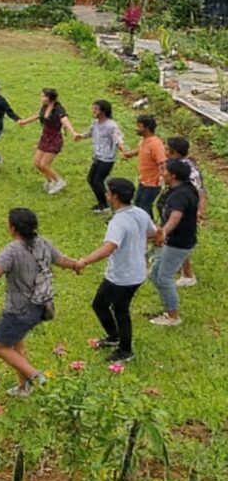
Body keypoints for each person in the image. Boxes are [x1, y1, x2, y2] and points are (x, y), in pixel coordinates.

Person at [0, 208, 80, 397]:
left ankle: (36, 377)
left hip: (18, 310)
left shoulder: (12, 251)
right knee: (17, 345)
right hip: (41, 306)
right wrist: (76, 264)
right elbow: (61, 260)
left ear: (13, 228)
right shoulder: (43, 243)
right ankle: (23, 387)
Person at [76, 178, 158, 364]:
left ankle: (125, 349)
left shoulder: (118, 222)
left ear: (115, 196)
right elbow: (153, 232)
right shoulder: (140, 212)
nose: (106, 195)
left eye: (108, 192)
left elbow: (110, 246)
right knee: (102, 305)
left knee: (118, 310)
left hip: (122, 276)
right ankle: (114, 337)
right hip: (136, 272)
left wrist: (85, 261)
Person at [148, 160, 200, 327]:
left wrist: (163, 232)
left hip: (178, 243)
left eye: (165, 171)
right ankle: (168, 307)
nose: (162, 173)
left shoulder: (180, 195)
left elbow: (175, 216)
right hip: (175, 241)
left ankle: (173, 316)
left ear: (174, 175)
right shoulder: (183, 188)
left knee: (164, 278)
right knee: (154, 274)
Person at [17, 88, 78, 194]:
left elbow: (64, 120)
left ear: (49, 98)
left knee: (44, 164)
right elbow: (38, 115)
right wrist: (25, 121)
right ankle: (50, 181)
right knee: (37, 163)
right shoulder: (44, 106)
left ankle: (59, 181)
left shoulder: (58, 109)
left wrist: (73, 132)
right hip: (45, 137)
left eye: (43, 96)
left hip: (54, 139)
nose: (41, 98)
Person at [165, 137, 207, 288]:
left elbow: (201, 191)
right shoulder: (175, 165)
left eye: (167, 148)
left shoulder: (190, 171)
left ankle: (188, 274)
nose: (165, 151)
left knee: (181, 241)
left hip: (183, 210)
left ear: (175, 152)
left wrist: (200, 211)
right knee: (174, 240)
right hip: (173, 206)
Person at [74, 100, 128, 213]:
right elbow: (90, 132)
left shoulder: (111, 126)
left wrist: (123, 151)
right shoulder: (95, 122)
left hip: (107, 159)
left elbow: (118, 139)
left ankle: (105, 204)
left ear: (104, 111)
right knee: (91, 179)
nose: (93, 111)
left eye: (96, 109)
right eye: (93, 108)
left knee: (98, 181)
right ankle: (105, 202)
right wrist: (81, 136)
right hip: (98, 156)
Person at [122, 115, 166, 219]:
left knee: (143, 206)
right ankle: (148, 227)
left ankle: (147, 229)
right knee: (139, 204)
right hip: (144, 180)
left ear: (146, 128)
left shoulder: (155, 144)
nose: (136, 128)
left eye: (139, 126)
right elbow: (139, 150)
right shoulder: (144, 140)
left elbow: (163, 162)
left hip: (153, 183)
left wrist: (161, 179)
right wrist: (129, 154)